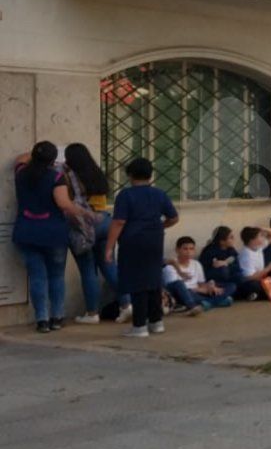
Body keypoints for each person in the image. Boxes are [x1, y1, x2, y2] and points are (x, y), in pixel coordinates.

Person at [104, 157, 179, 337]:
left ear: (130, 175)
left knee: (136, 282)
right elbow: (174, 218)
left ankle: (139, 325)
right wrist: (159, 227)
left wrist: (109, 247)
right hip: (155, 241)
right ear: (150, 175)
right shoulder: (159, 194)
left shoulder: (126, 195)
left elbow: (119, 222)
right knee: (153, 280)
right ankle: (156, 321)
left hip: (132, 242)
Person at [12, 143, 81, 333]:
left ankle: (41, 320)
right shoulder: (56, 177)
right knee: (56, 276)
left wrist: (37, 154)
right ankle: (57, 317)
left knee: (37, 277)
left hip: (26, 231)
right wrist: (84, 214)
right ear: (53, 160)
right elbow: (63, 203)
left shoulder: (20, 173)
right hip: (53, 233)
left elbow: (20, 159)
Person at [61, 143, 127, 325]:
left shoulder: (69, 176)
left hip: (85, 225)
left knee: (88, 270)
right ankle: (127, 304)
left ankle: (92, 313)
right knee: (109, 266)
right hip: (105, 221)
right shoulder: (96, 172)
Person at [163, 237, 231, 314]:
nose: (188, 252)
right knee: (181, 285)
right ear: (177, 250)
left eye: (191, 249)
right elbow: (176, 287)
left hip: (197, 293)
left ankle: (208, 303)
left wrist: (210, 286)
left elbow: (201, 284)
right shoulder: (170, 266)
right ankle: (193, 306)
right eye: (185, 249)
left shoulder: (196, 264)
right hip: (181, 295)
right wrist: (198, 290)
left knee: (231, 286)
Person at [199, 226, 243, 301]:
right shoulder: (209, 251)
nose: (234, 239)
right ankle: (216, 298)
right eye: (231, 237)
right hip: (212, 281)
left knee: (239, 277)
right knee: (223, 270)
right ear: (222, 241)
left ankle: (224, 295)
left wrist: (226, 263)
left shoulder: (231, 250)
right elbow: (204, 270)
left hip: (228, 280)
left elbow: (237, 267)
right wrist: (219, 266)